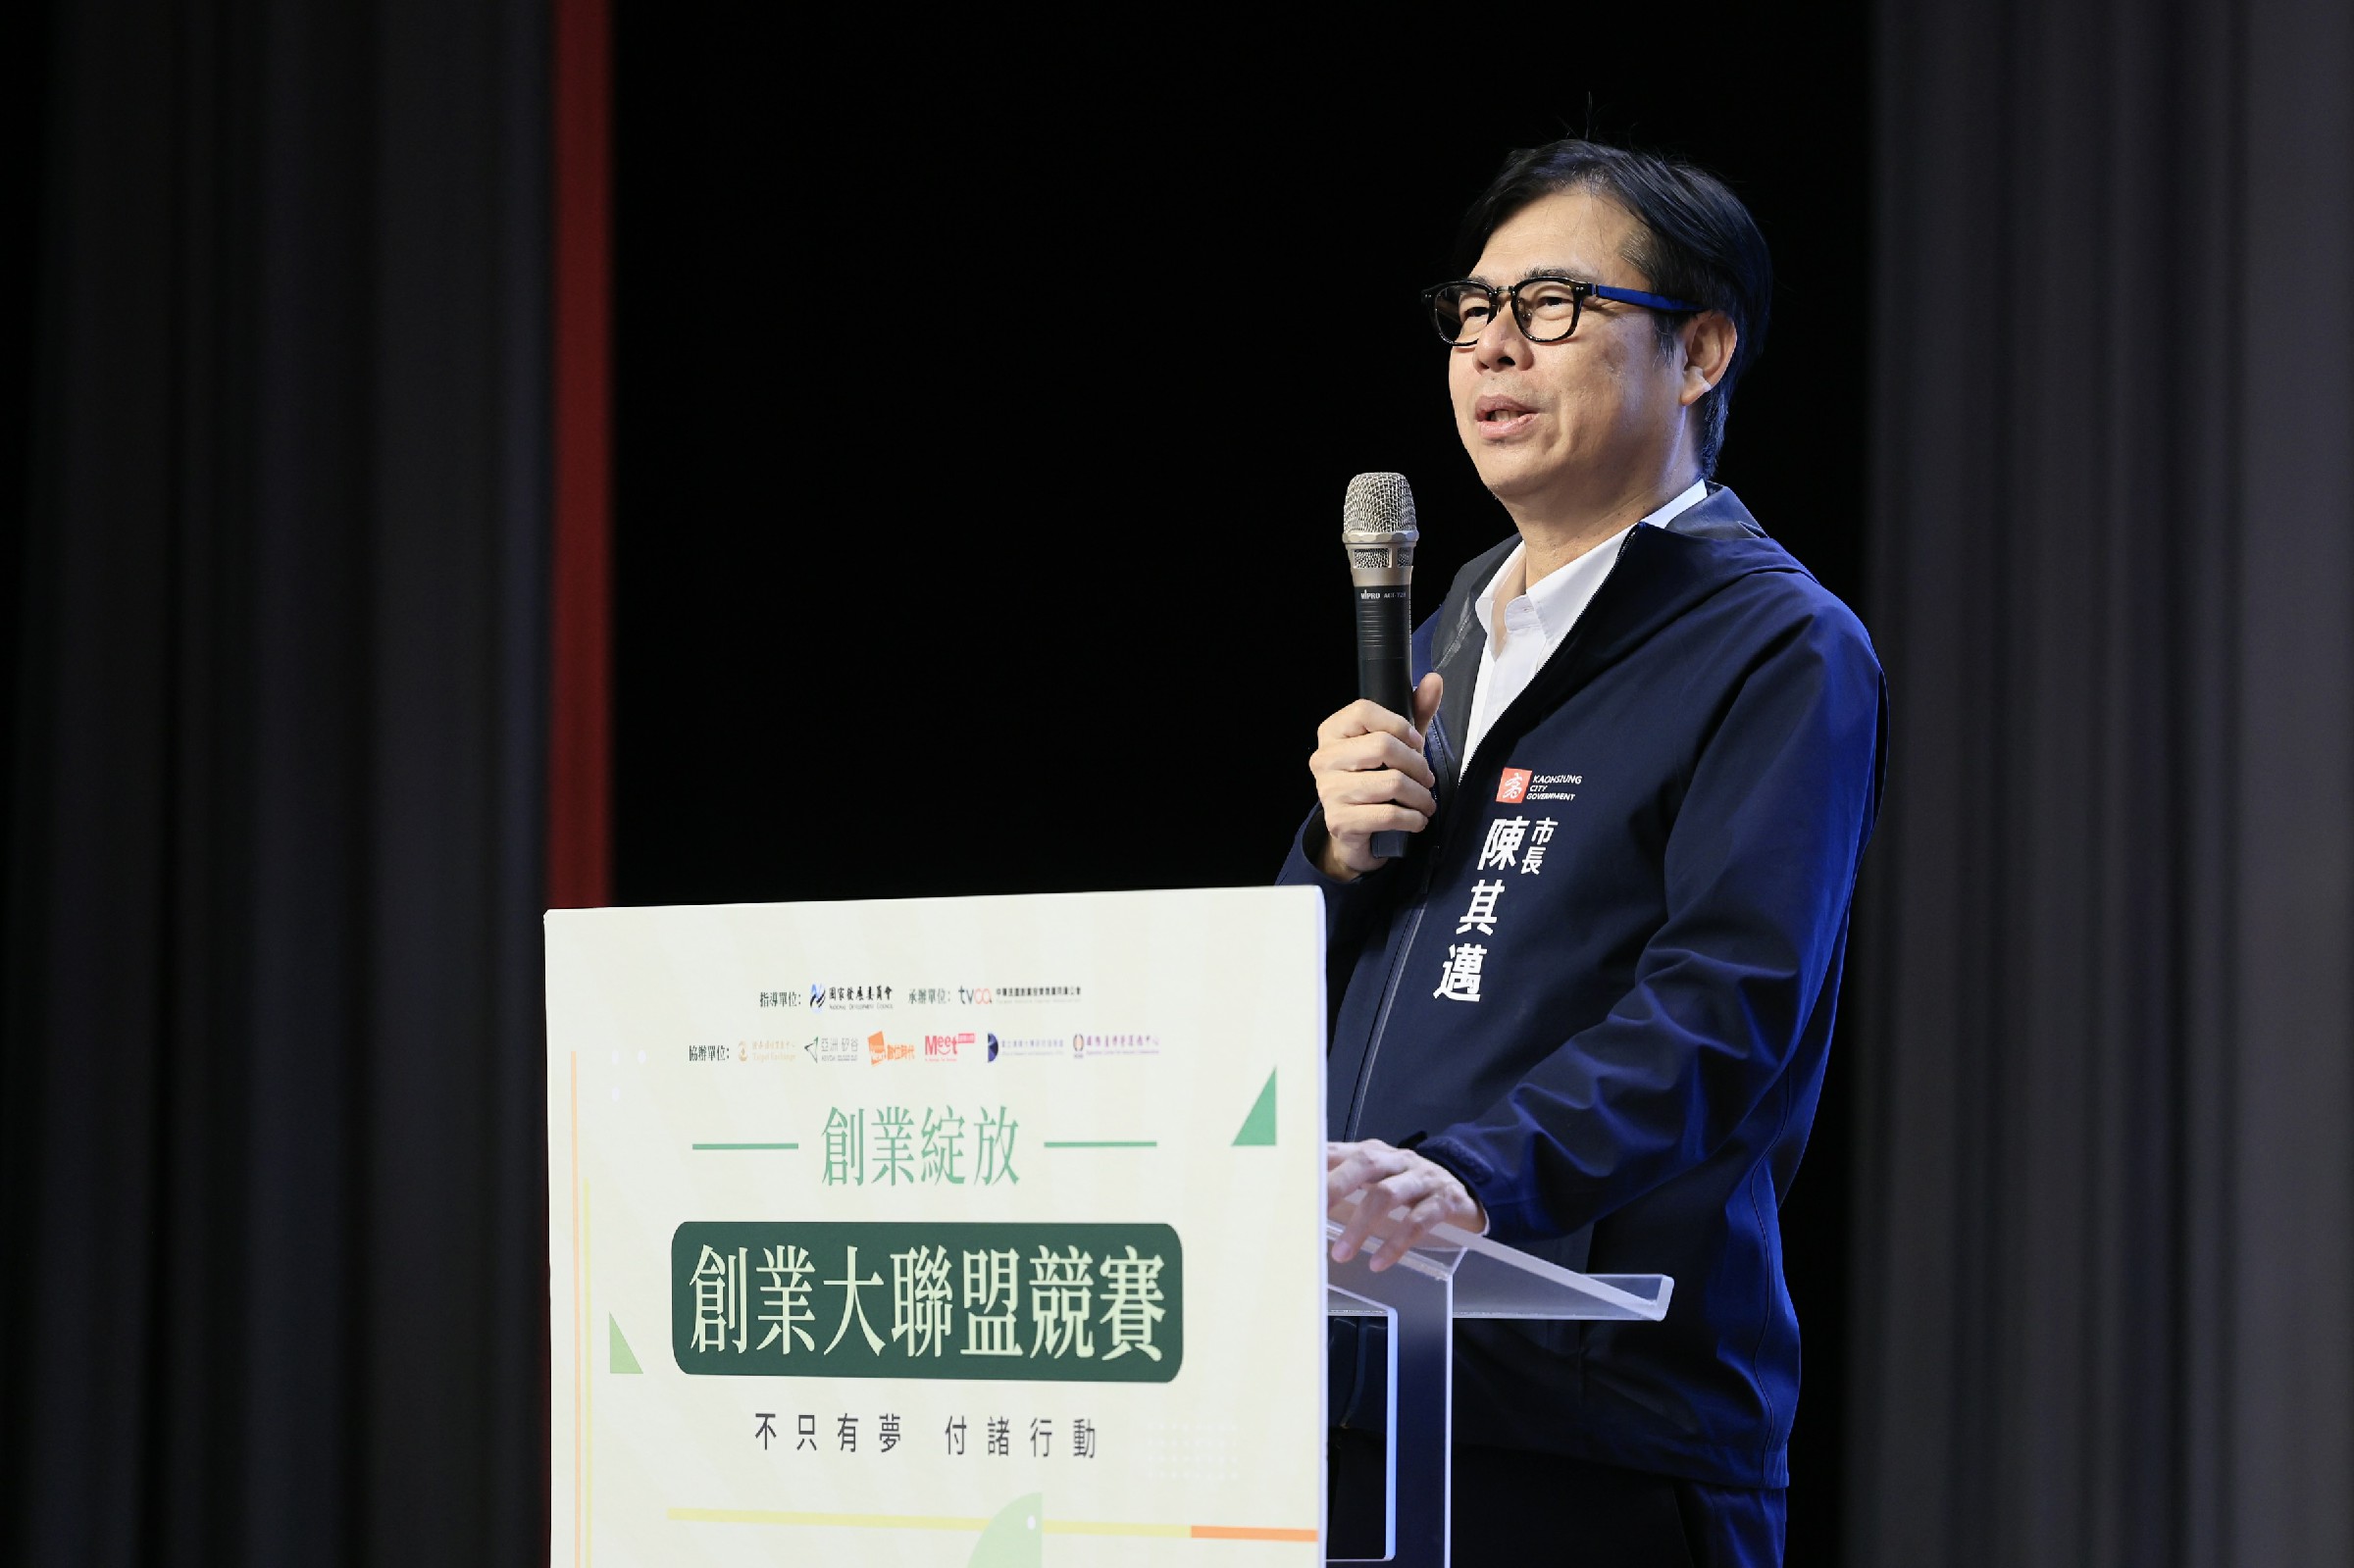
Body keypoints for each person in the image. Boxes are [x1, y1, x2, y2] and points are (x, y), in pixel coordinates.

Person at [1288, 138, 1885, 1567]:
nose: (1493, 346)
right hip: (1343, 1382)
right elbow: (1322, 995)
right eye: (1471, 311)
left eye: (1551, 304)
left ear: (1701, 354)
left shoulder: (1779, 643)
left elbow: (1725, 1008)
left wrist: (1467, 1177)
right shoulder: (1449, 627)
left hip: (1589, 1424)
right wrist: (1335, 859)